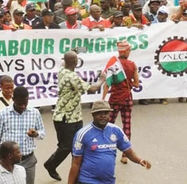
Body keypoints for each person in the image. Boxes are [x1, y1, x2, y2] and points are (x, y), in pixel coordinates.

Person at [43, 51, 107, 181]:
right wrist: (102, 80)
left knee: (78, 146)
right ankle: (51, 164)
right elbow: (92, 89)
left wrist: (73, 52)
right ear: (76, 62)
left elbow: (64, 61)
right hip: (65, 118)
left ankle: (78, 174)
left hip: (75, 117)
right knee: (66, 146)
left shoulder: (62, 70)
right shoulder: (72, 77)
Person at [68, 100, 151, 184]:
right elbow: (76, 163)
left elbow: (128, 152)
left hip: (108, 181)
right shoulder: (82, 134)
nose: (103, 116)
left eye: (106, 113)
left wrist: (140, 160)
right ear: (93, 115)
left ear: (110, 114)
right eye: (99, 113)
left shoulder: (116, 130)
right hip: (87, 180)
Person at [0, 86, 45, 184]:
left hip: (28, 161)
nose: (23, 106)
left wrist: (36, 134)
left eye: (25, 103)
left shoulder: (35, 113)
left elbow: (42, 133)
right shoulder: (3, 114)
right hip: (8, 162)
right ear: (13, 99)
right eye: (20, 104)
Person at [101, 40, 140, 164]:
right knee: (126, 126)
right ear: (126, 51)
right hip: (127, 98)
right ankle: (125, 155)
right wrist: (130, 83)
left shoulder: (113, 65)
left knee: (107, 125)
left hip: (115, 99)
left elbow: (107, 84)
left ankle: (105, 151)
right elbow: (137, 83)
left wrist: (102, 99)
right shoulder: (132, 65)